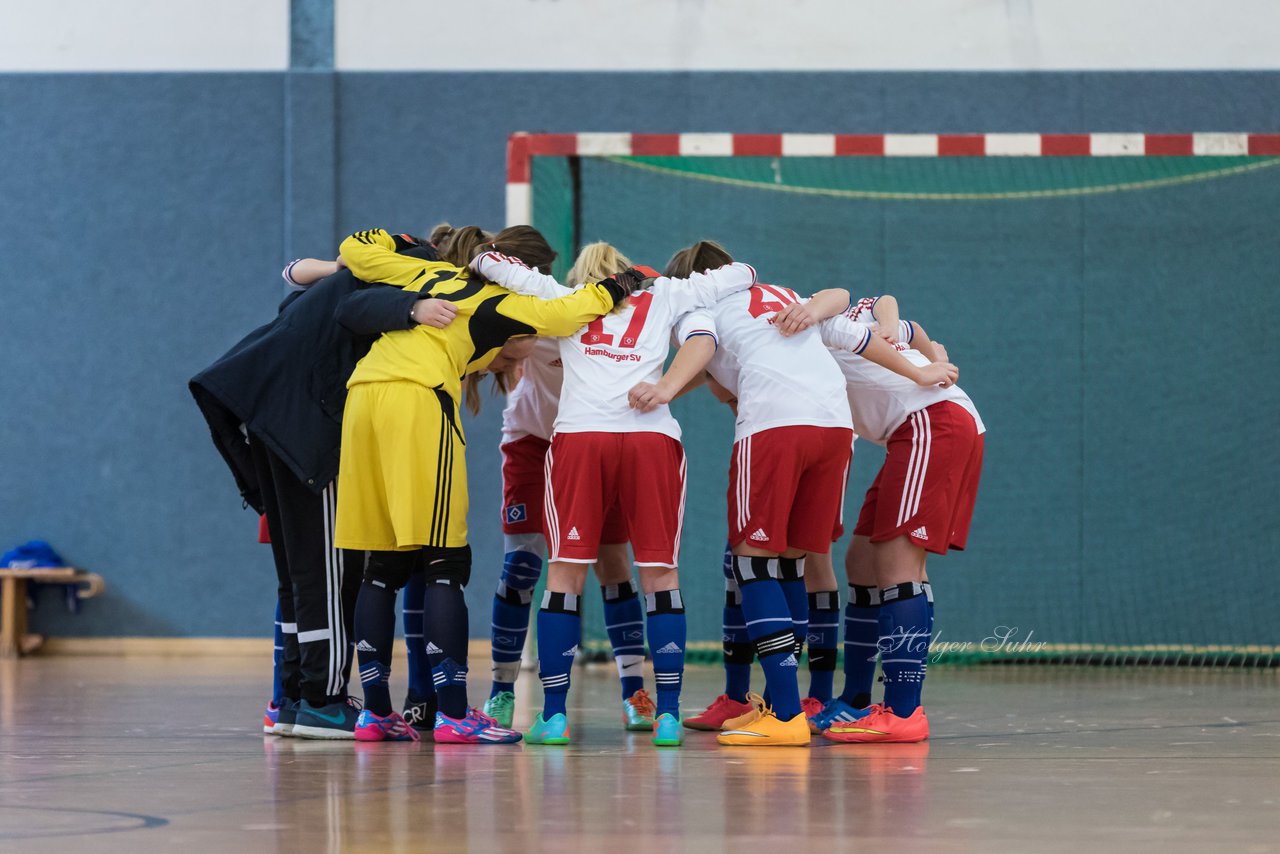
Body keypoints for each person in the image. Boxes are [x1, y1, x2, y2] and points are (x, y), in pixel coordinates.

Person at [333, 226, 634, 745]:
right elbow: (567, 311)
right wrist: (621, 284)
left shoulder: (428, 273)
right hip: (417, 401)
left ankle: (374, 712)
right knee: (445, 562)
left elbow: (355, 250)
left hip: (361, 399)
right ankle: (453, 714)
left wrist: (396, 236)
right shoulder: (499, 301)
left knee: (378, 564)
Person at [664, 241, 957, 747]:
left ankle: (783, 715)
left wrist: (646, 383)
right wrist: (921, 370)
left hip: (776, 424)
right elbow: (857, 333)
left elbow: (702, 356)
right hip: (834, 428)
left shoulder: (697, 307)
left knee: (754, 564)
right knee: (794, 562)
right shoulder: (784, 295)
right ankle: (802, 700)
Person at [471, 241, 758, 747]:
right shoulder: (670, 293)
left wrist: (480, 257)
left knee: (563, 573)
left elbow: (492, 263)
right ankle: (666, 715)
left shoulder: (562, 300)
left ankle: (554, 715)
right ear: (631, 273)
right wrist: (666, 384)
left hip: (582, 438)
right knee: (660, 574)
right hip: (651, 437)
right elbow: (741, 273)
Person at [191, 234, 458, 739]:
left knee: (298, 576)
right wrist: (415, 307)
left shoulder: (333, 281)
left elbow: (290, 274)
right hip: (306, 433)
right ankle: (324, 699)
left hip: (265, 424)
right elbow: (359, 308)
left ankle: (294, 696)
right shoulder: (385, 286)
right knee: (331, 574)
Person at [483, 248, 668, 733]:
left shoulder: (637, 325)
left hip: (592, 446)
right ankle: (502, 691)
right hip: (532, 442)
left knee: (614, 564)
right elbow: (506, 335)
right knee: (523, 564)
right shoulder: (554, 316)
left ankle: (635, 692)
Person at [816, 300, 984, 744]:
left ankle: (904, 712)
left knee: (898, 567)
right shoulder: (855, 320)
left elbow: (888, 318)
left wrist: (931, 366)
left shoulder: (817, 326)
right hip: (917, 428)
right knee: (863, 561)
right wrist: (936, 357)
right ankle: (855, 699)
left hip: (930, 422)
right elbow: (908, 323)